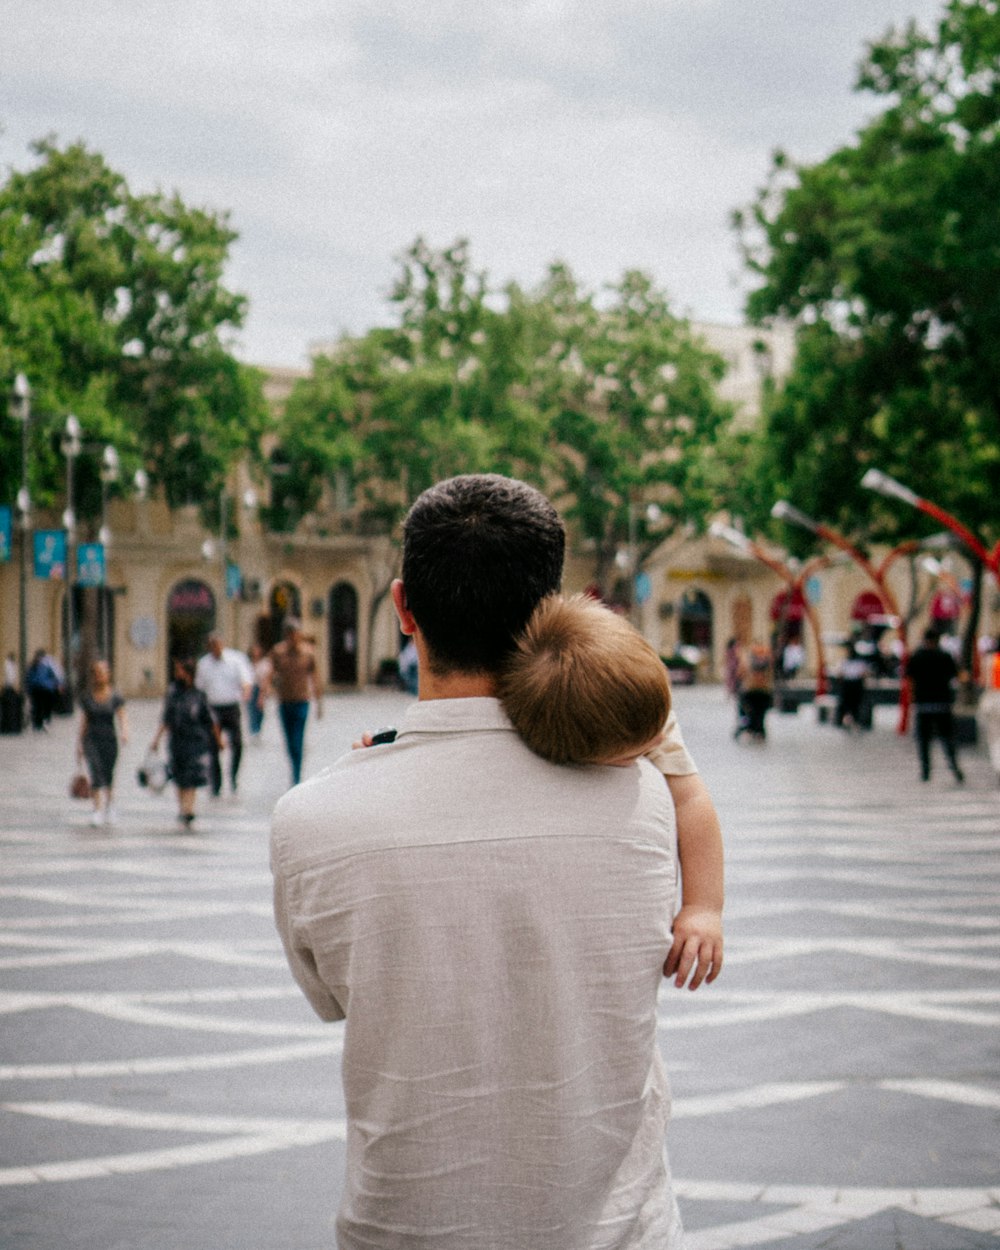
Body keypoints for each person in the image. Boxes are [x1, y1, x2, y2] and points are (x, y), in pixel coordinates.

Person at [271, 474, 721, 1249]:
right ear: (553, 608)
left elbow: (337, 997)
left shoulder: (309, 821)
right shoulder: (643, 794)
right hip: (617, 1232)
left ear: (404, 607)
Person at [151, 657, 222, 827]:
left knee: (192, 775)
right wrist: (156, 739)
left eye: (180, 671)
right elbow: (166, 718)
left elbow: (210, 720)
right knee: (179, 775)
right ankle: (182, 808)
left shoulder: (199, 695)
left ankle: (188, 810)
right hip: (177, 741)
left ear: (189, 673)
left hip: (195, 741)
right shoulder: (173, 694)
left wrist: (218, 740)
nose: (177, 674)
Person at [262, 617, 323, 786]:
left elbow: (315, 678)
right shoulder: (278, 651)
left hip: (302, 701)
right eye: (290, 635)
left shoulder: (308, 653)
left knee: (297, 740)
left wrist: (319, 703)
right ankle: (294, 767)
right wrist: (264, 693)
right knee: (289, 741)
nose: (293, 638)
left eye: (295, 634)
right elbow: (270, 673)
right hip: (284, 701)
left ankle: (296, 774)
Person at [195, 632, 252, 796]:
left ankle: (233, 777)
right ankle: (216, 782)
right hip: (213, 708)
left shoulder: (235, 660)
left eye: (218, 645)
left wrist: (246, 693)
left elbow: (246, 681)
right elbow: (200, 688)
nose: (216, 649)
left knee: (237, 744)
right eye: (212, 646)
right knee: (213, 746)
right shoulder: (204, 664)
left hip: (231, 706)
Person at [904, 627, 965, 783]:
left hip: (923, 704)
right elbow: (955, 675)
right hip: (942, 703)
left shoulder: (917, 656)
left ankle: (925, 770)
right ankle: (954, 767)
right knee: (947, 738)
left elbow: (908, 676)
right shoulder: (944, 656)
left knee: (924, 740)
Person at [76, 659, 129, 826]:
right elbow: (84, 721)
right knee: (95, 773)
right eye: (97, 673)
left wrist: (125, 732)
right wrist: (79, 744)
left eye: (103, 672)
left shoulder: (115, 696)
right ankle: (97, 810)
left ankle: (110, 806)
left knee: (108, 774)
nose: (100, 676)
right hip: (91, 739)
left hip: (109, 740)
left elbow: (122, 716)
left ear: (108, 675)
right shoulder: (87, 697)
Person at [734, 641, 774, 740]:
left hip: (751, 691)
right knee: (760, 714)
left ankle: (751, 728)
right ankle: (758, 730)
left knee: (750, 712)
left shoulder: (748, 660)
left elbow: (739, 673)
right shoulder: (767, 659)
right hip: (763, 691)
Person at [978, 639, 1000, 786]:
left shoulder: (990, 660)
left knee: (996, 738)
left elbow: (984, 682)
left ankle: (998, 765)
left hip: (993, 699)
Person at [26, 648, 64, 732]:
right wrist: (28, 689)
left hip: (46, 689)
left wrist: (58, 684)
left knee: (46, 706)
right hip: (36, 689)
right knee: (37, 706)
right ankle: (37, 723)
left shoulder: (47, 665)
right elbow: (28, 678)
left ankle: (45, 720)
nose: (39, 658)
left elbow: (56, 675)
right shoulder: (32, 665)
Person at [834, 642, 870, 731]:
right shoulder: (855, 662)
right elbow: (864, 674)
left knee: (851, 704)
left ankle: (849, 719)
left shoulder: (846, 662)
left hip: (850, 684)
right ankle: (850, 720)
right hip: (853, 684)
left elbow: (840, 674)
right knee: (851, 704)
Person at [246, 643, 271, 740]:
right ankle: (254, 730)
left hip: (260, 687)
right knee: (251, 709)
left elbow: (267, 677)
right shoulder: (247, 663)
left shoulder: (265, 663)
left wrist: (265, 690)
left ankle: (258, 729)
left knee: (260, 709)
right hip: (251, 687)